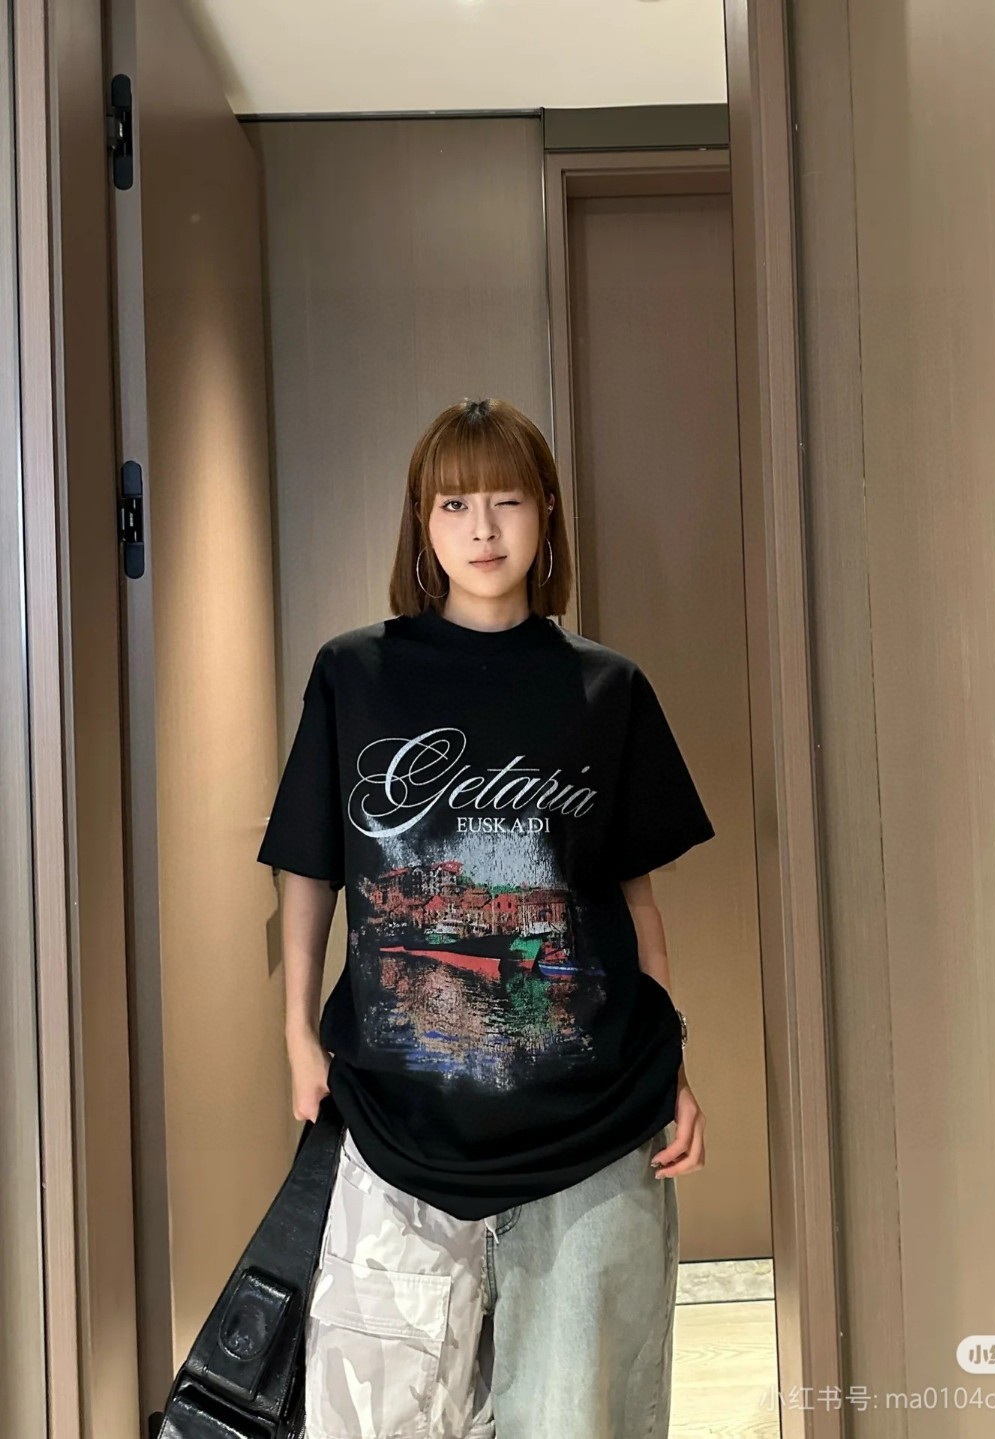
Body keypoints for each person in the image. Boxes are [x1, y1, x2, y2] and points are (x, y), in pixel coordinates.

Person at [256, 396, 716, 1439]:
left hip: (591, 1129)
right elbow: (308, 867)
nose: (482, 529)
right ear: (421, 522)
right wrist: (296, 1035)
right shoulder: (356, 675)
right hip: (397, 1125)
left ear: (545, 512)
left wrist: (673, 1067)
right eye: (454, 504)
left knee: (578, 1418)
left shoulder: (607, 688)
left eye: (506, 501)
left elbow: (635, 899)